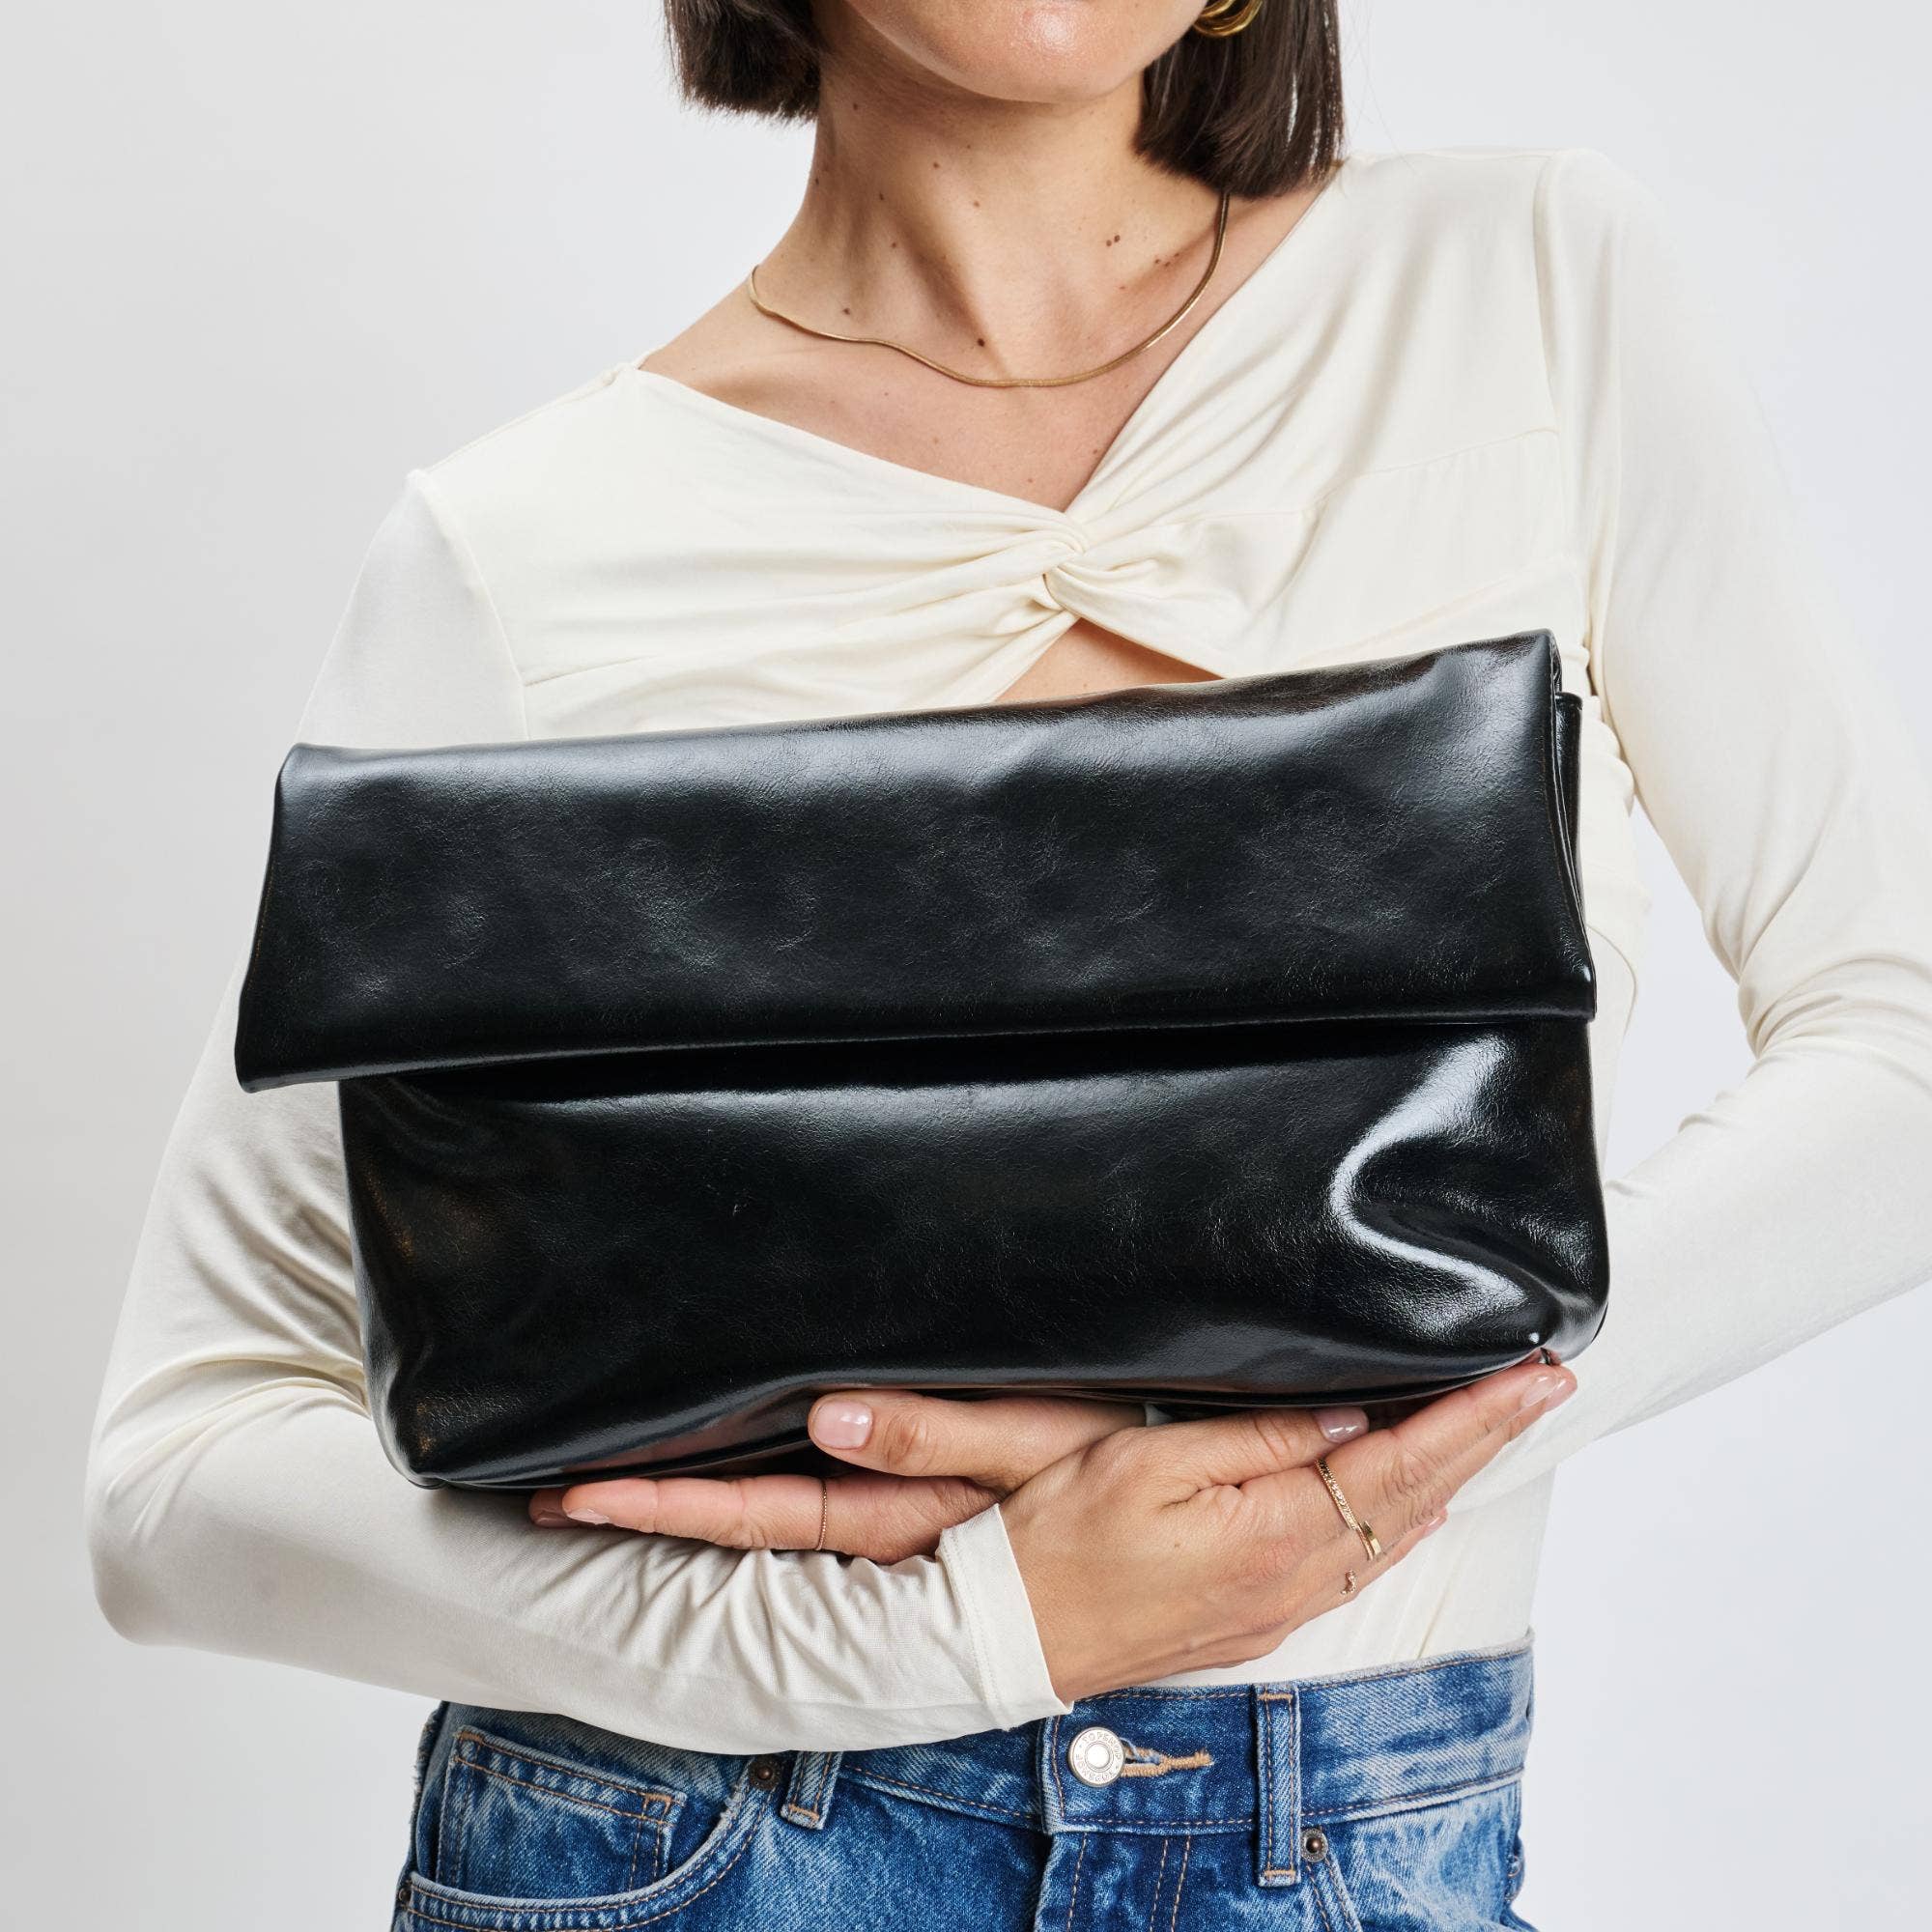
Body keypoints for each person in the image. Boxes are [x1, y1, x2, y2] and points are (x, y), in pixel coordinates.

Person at [84, 2, 1932, 1926]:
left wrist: (1362, 1469)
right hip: (702, 1849)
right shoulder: (519, 549)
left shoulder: (1523, 285)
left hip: (1350, 1838)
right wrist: (966, 1626)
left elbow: (1905, 1049)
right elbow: (180, 1479)